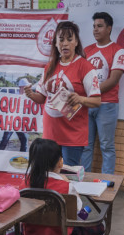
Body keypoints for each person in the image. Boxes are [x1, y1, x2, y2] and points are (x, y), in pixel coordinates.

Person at [24, 21, 102, 167]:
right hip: (50, 132)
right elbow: (41, 98)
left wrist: (80, 99)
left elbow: (97, 101)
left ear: (76, 42)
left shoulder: (85, 67)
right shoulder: (50, 66)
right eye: (61, 40)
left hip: (72, 135)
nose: (65, 44)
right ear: (55, 43)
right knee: (48, 174)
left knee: (68, 175)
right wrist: (31, 94)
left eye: (69, 39)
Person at [22, 138, 105, 235]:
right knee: (98, 226)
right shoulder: (66, 187)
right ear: (60, 162)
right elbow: (77, 210)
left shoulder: (24, 184)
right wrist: (67, 182)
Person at [81, 12, 124, 174]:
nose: (95, 30)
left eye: (99, 26)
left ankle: (107, 184)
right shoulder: (87, 50)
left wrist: (88, 93)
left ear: (109, 29)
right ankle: (83, 181)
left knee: (106, 146)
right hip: (86, 105)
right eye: (94, 26)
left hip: (107, 105)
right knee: (86, 146)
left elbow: (113, 80)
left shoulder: (118, 50)